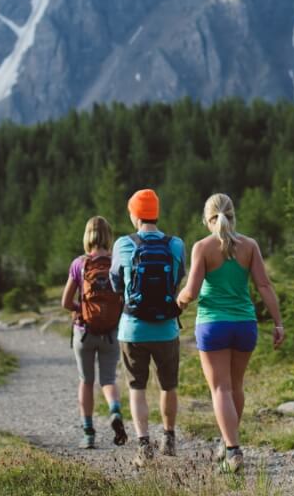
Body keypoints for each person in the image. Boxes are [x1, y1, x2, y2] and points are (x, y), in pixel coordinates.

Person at [176, 193, 285, 474]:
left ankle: (233, 451)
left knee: (220, 389)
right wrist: (278, 323)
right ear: (233, 215)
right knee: (235, 386)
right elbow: (264, 286)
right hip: (244, 324)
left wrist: (179, 300)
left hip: (213, 324)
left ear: (206, 219)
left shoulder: (202, 247)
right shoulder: (249, 246)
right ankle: (227, 444)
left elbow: (193, 291)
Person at [111, 189, 186, 467]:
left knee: (136, 387)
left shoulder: (122, 245)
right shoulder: (176, 244)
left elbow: (116, 283)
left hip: (132, 329)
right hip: (166, 328)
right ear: (156, 212)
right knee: (169, 385)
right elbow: (178, 279)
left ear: (135, 215)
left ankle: (144, 446)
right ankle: (169, 439)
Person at [60, 216, 129, 450]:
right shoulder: (116, 262)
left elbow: (65, 302)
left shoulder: (79, 264)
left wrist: (82, 309)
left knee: (86, 381)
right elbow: (124, 297)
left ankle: (88, 433)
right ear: (108, 236)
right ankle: (115, 410)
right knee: (108, 379)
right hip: (111, 332)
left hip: (84, 331)